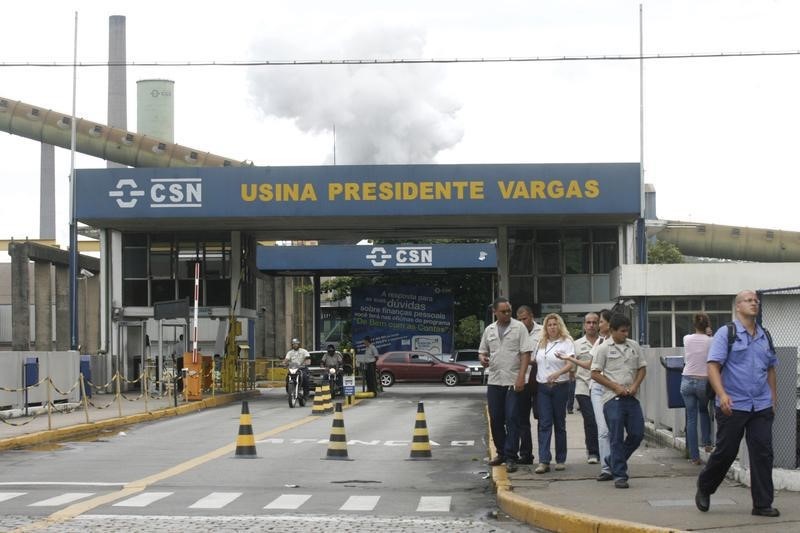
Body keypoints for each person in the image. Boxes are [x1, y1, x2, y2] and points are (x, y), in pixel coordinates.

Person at [696, 290, 779, 517]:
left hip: (760, 405)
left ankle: (762, 504)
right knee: (726, 451)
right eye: (749, 300)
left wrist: (773, 398)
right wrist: (722, 394)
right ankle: (705, 486)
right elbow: (713, 366)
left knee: (762, 453)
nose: (754, 303)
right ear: (738, 306)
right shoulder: (727, 333)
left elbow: (771, 368)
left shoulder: (765, 335)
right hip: (733, 404)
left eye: (756, 301)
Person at [591, 313, 647, 489]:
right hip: (612, 398)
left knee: (637, 433)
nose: (626, 334)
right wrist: (614, 386)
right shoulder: (603, 348)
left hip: (631, 397)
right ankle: (620, 475)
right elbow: (594, 373)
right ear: (612, 330)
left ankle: (611, 460)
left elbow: (642, 368)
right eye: (622, 331)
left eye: (627, 330)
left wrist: (636, 385)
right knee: (615, 436)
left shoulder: (634, 346)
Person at [479, 297, 533, 474]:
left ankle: (511, 456)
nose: (507, 314)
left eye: (509, 310)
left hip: (512, 380)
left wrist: (521, 378)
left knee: (512, 418)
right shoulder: (490, 330)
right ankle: (501, 452)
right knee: (496, 418)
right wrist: (483, 359)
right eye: (503, 311)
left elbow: (525, 354)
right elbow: (482, 351)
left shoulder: (519, 328)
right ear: (495, 312)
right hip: (495, 380)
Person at [532, 313, 574, 473]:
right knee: (544, 423)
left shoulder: (566, 342)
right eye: (549, 325)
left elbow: (570, 364)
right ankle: (544, 460)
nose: (552, 327)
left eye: (555, 324)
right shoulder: (540, 343)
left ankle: (561, 459)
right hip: (543, 387)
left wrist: (557, 373)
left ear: (559, 326)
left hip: (560, 386)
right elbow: (534, 360)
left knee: (559, 423)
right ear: (545, 327)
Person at [558, 312, 600, 464]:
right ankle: (593, 452)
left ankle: (604, 449)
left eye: (594, 322)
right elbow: (571, 367)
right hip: (583, 386)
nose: (591, 325)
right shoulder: (576, 345)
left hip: (602, 386)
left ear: (599, 324)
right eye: (588, 322)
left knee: (603, 420)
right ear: (584, 325)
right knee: (590, 419)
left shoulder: (605, 343)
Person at [681, 313, 714, 465]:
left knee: (691, 418)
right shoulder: (711, 341)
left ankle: (694, 457)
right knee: (703, 410)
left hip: (686, 380)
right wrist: (709, 334)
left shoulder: (686, 339)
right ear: (707, 325)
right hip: (703, 382)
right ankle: (707, 443)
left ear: (694, 324)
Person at [516, 305, 543, 465]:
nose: (522, 322)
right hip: (523, 379)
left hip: (539, 379)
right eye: (519, 319)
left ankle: (543, 455)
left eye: (524, 318)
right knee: (522, 419)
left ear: (531, 316)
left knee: (542, 418)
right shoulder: (515, 331)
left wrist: (530, 360)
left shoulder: (542, 331)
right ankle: (526, 454)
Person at [590, 309, 613, 481]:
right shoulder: (599, 341)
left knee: (616, 429)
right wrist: (571, 360)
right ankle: (606, 468)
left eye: (601, 322)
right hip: (597, 389)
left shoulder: (621, 343)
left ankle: (616, 463)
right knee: (603, 430)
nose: (598, 325)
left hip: (614, 390)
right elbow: (591, 366)